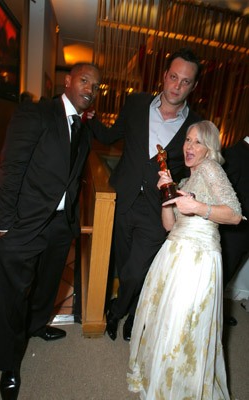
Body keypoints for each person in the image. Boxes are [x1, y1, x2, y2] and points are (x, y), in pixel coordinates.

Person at [0, 62, 101, 400]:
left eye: (96, 86)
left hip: (58, 224)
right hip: (25, 222)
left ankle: (37, 326)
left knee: (49, 283)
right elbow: (10, 169)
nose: (90, 89)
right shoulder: (35, 114)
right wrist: (5, 225)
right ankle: (9, 365)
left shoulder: (83, 126)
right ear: (67, 81)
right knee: (12, 297)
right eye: (84, 80)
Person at [88, 47, 203, 341]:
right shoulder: (137, 103)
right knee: (123, 264)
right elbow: (112, 135)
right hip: (122, 199)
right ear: (164, 76)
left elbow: (197, 169)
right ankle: (133, 312)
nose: (177, 86)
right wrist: (87, 118)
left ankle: (119, 312)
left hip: (158, 210)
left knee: (136, 271)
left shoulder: (196, 126)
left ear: (194, 86)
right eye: (174, 77)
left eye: (185, 81)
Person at [127, 120, 242, 399]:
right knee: (167, 321)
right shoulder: (188, 179)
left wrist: (198, 207)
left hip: (197, 259)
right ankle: (165, 382)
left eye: (197, 142)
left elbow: (235, 214)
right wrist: (166, 195)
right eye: (187, 140)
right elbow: (169, 225)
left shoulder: (211, 169)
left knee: (183, 323)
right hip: (175, 254)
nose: (189, 146)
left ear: (209, 149)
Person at [220, 136, 249, 325]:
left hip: (243, 234)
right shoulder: (234, 154)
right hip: (232, 234)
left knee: (226, 277)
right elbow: (222, 197)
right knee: (219, 277)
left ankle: (216, 315)